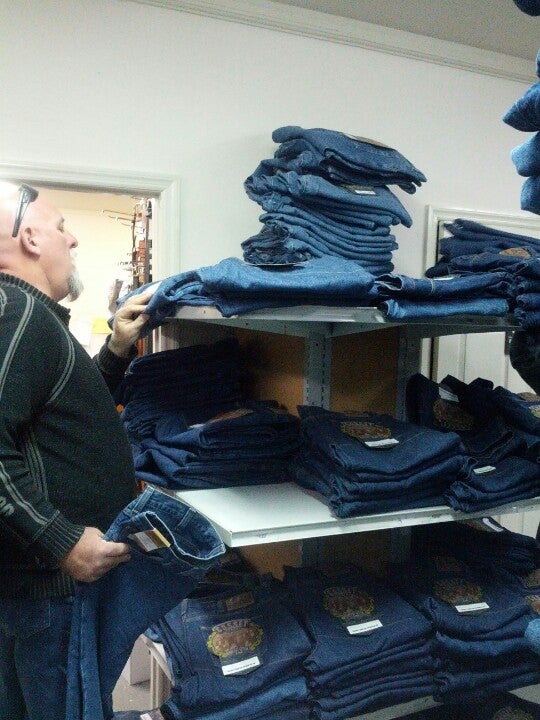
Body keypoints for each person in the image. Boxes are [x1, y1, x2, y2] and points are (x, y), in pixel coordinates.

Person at [0, 182, 152, 720]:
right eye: (62, 227)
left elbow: (62, 413)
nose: (73, 239)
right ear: (32, 238)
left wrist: (115, 350)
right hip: (47, 595)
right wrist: (60, 541)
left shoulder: (31, 317)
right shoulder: (18, 314)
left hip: (43, 592)